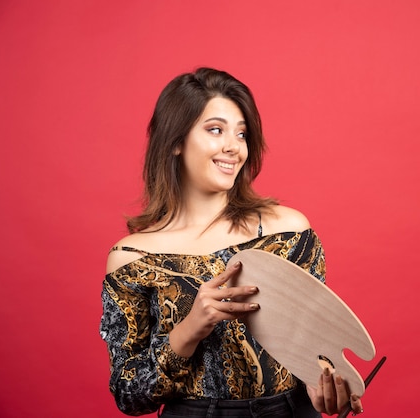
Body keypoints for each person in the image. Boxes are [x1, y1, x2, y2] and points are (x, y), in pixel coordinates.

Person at [100, 67, 364, 417]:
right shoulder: (133, 258)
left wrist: (323, 385)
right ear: (176, 141)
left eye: (241, 134)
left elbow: (313, 342)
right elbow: (128, 395)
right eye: (215, 130)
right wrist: (189, 329)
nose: (233, 147)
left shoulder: (287, 232)